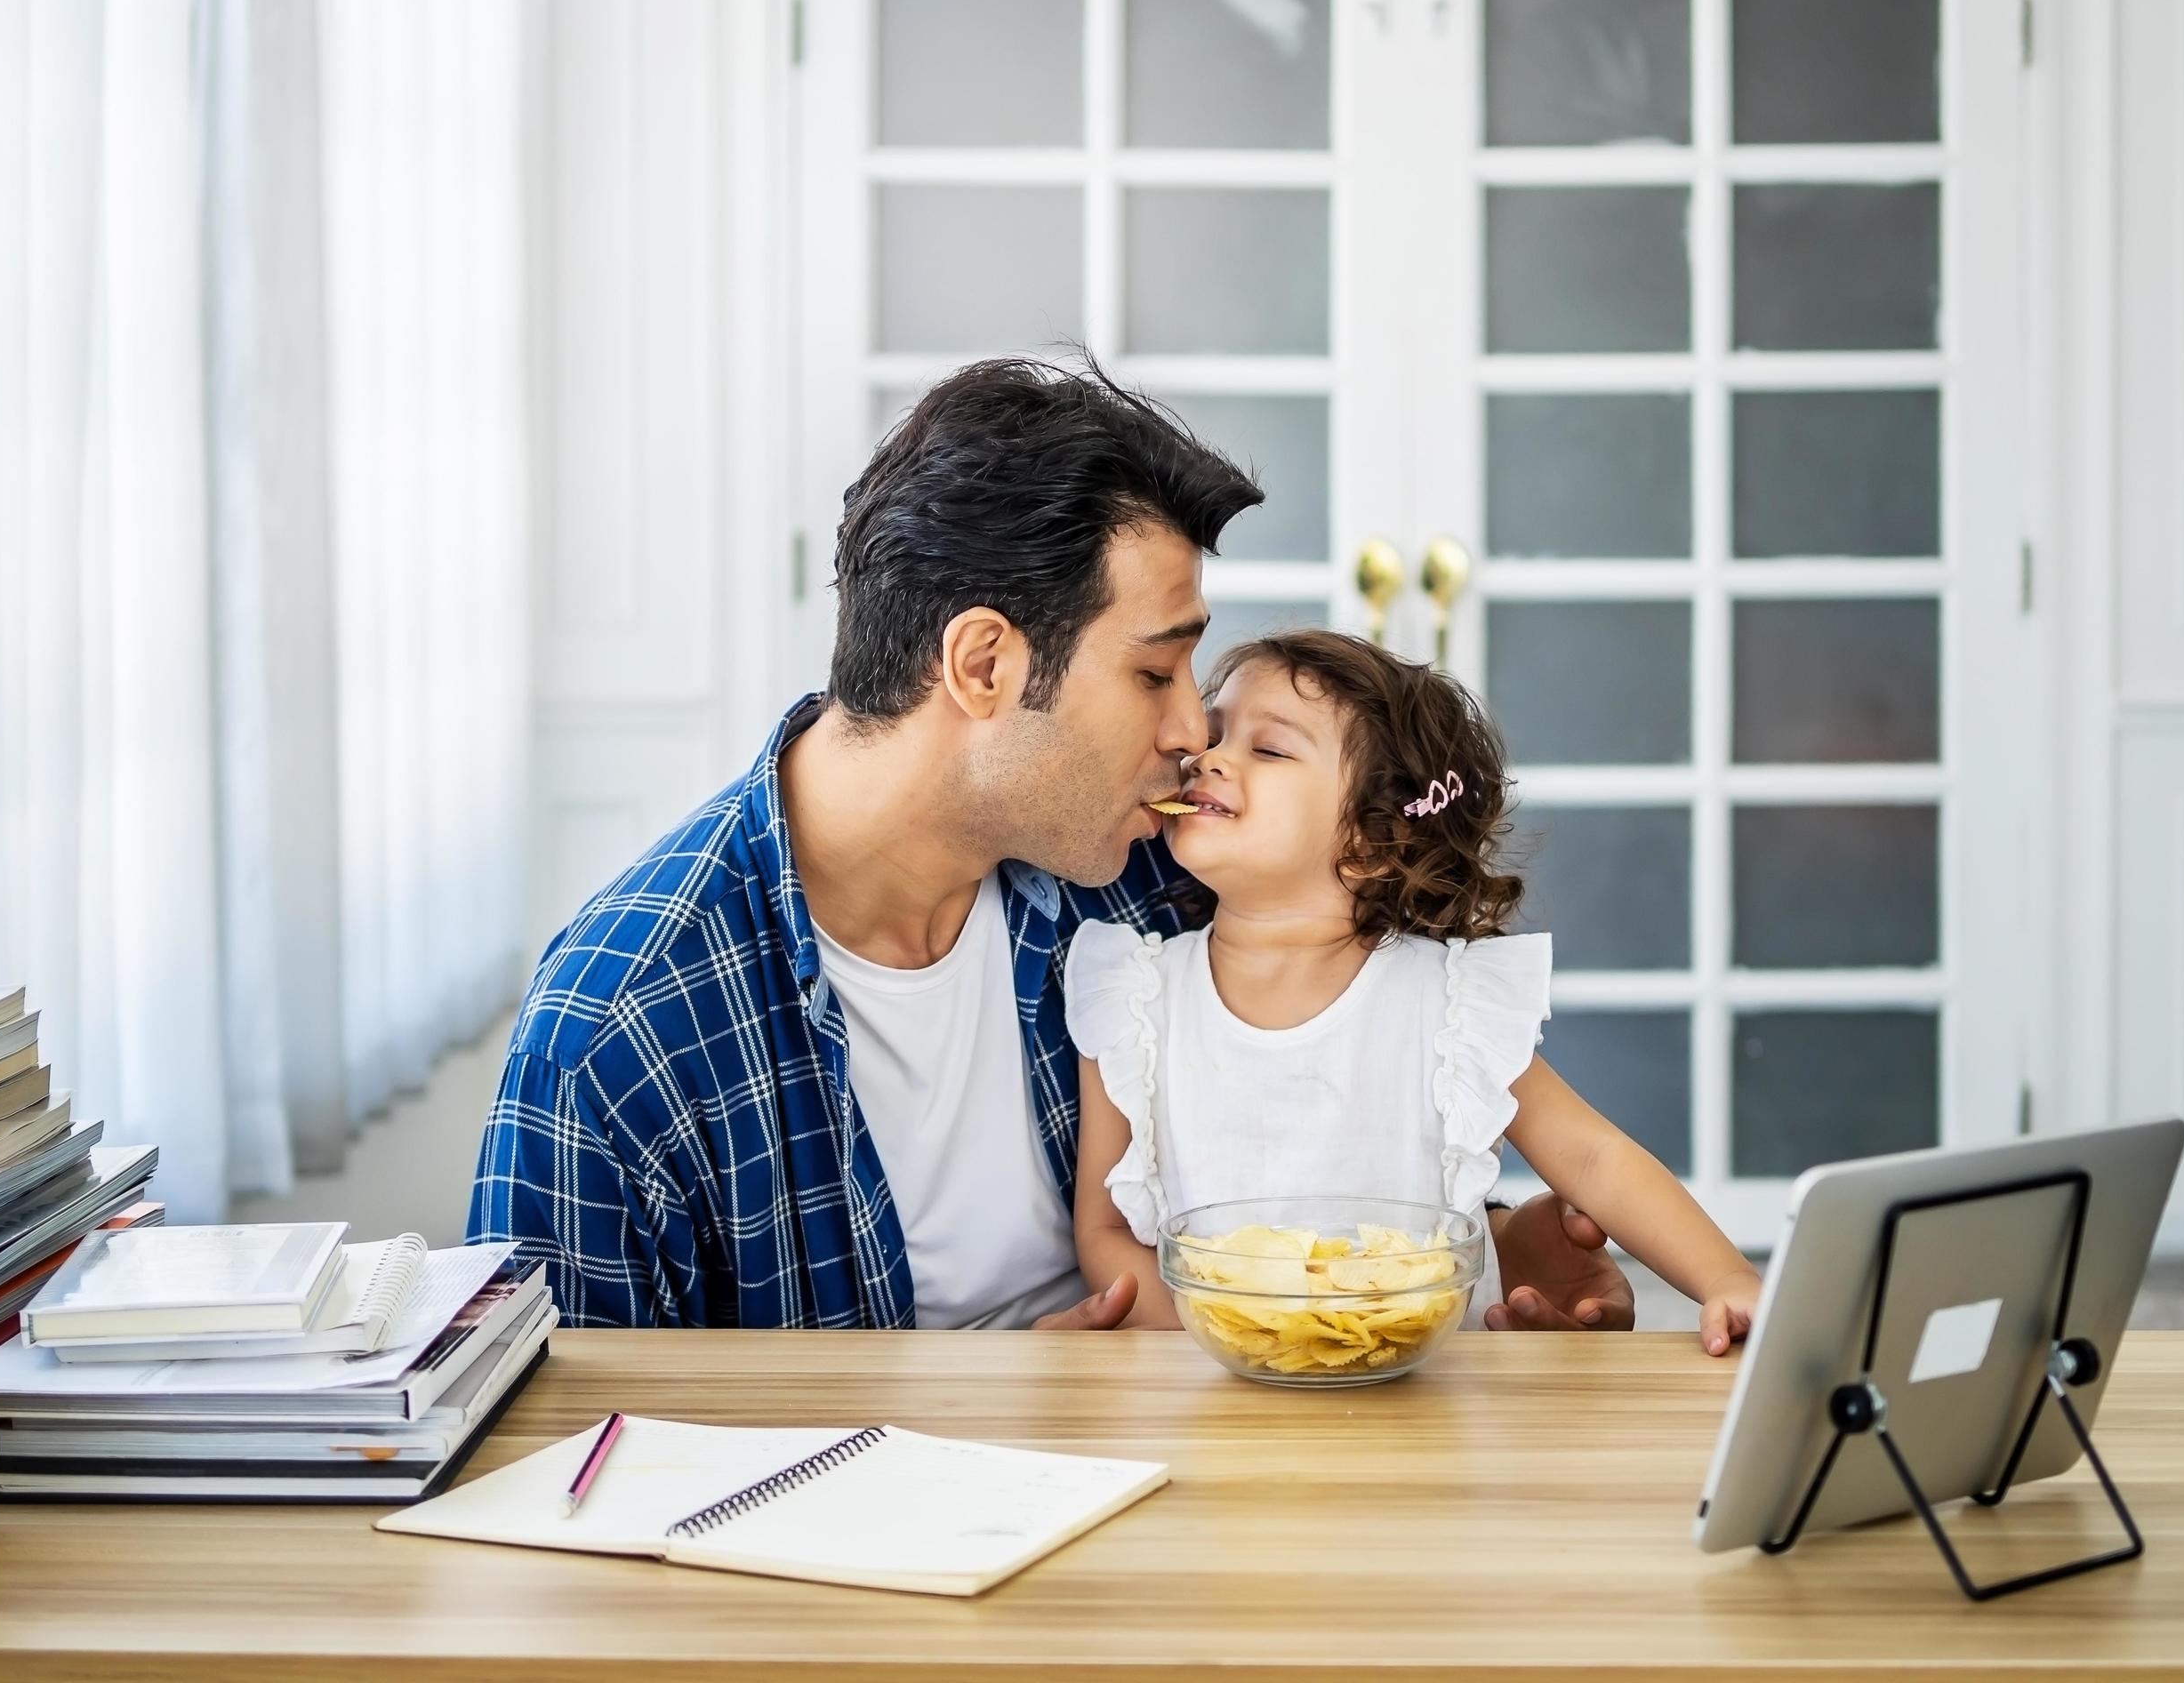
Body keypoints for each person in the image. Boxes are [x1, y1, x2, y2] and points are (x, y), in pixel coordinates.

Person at [467, 357, 1635, 1332]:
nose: (1194, 736)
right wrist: (991, 1409)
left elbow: (1296, 1128)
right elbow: (563, 1472)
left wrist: (1494, 1247)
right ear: (985, 666)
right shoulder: (618, 1035)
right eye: (1153, 672)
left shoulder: (1142, 881)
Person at [1069, 629, 1762, 1353]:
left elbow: (1592, 1157)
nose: (1208, 756)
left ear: (1373, 843)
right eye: (1215, 735)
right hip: (1218, 1400)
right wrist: (1240, 1342)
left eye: (1267, 749)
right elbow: (1105, 1230)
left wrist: (1724, 1279)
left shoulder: (1449, 1003)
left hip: (1437, 1400)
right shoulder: (1133, 997)